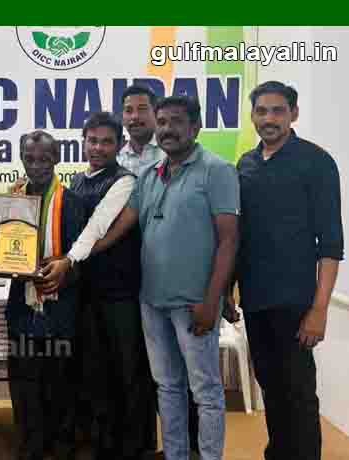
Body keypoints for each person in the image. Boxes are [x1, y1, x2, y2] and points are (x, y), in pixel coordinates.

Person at [96, 95, 239, 460]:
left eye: (177, 121)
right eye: (162, 122)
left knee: (205, 391)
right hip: (152, 301)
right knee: (167, 386)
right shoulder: (149, 175)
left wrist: (213, 300)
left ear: (196, 127)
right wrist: (75, 255)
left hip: (194, 303)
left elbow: (228, 240)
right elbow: (119, 226)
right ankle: (176, 455)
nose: (167, 129)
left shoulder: (217, 170)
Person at [234, 81, 343, 460]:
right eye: (261, 111)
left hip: (297, 304)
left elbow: (331, 245)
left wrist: (319, 309)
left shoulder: (316, 162)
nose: (269, 118)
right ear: (252, 116)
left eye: (278, 110)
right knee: (271, 388)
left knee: (299, 395)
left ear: (293, 114)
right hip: (255, 302)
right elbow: (239, 236)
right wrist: (231, 292)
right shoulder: (245, 164)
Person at [67, 112, 155, 460]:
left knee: (129, 372)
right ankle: (104, 443)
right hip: (86, 293)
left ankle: (135, 447)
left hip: (121, 293)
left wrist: (67, 261)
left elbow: (98, 230)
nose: (98, 147)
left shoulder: (126, 181)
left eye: (106, 141)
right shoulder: (76, 181)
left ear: (119, 145)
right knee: (95, 371)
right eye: (92, 140)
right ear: (83, 142)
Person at [6, 130, 86, 460]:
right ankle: (30, 444)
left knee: (60, 380)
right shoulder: (11, 201)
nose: (36, 165)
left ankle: (62, 443)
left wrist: (61, 271)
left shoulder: (72, 202)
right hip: (22, 308)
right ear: (21, 160)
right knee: (25, 380)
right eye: (29, 159)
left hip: (59, 308)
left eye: (44, 158)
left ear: (56, 159)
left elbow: (82, 259)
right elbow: (1, 251)